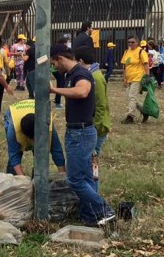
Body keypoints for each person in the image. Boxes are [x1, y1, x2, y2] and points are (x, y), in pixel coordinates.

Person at [49, 44, 115, 227]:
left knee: (74, 180)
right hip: (78, 132)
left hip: (81, 134)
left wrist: (55, 91)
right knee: (86, 177)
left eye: (54, 63)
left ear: (61, 58)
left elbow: (82, 91)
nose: (54, 67)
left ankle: (105, 210)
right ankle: (90, 216)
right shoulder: (72, 74)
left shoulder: (81, 74)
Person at [74, 46, 111, 185]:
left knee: (93, 159)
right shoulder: (93, 75)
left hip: (98, 127)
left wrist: (95, 127)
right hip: (95, 125)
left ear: (81, 61)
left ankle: (94, 187)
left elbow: (101, 105)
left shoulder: (95, 77)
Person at [4, 99, 65, 176]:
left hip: (32, 110)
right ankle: (12, 178)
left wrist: (62, 176)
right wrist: (23, 180)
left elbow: (56, 150)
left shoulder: (48, 125)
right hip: (12, 113)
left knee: (40, 153)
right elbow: (13, 155)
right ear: (28, 138)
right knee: (16, 152)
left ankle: (37, 178)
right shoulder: (13, 130)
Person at [120, 35, 149, 124]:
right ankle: (144, 111)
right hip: (129, 78)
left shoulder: (141, 51)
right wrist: (124, 78)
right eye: (129, 42)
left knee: (132, 96)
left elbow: (146, 64)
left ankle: (130, 116)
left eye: (132, 42)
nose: (130, 44)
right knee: (130, 97)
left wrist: (148, 75)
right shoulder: (126, 52)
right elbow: (124, 66)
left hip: (138, 78)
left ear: (137, 42)